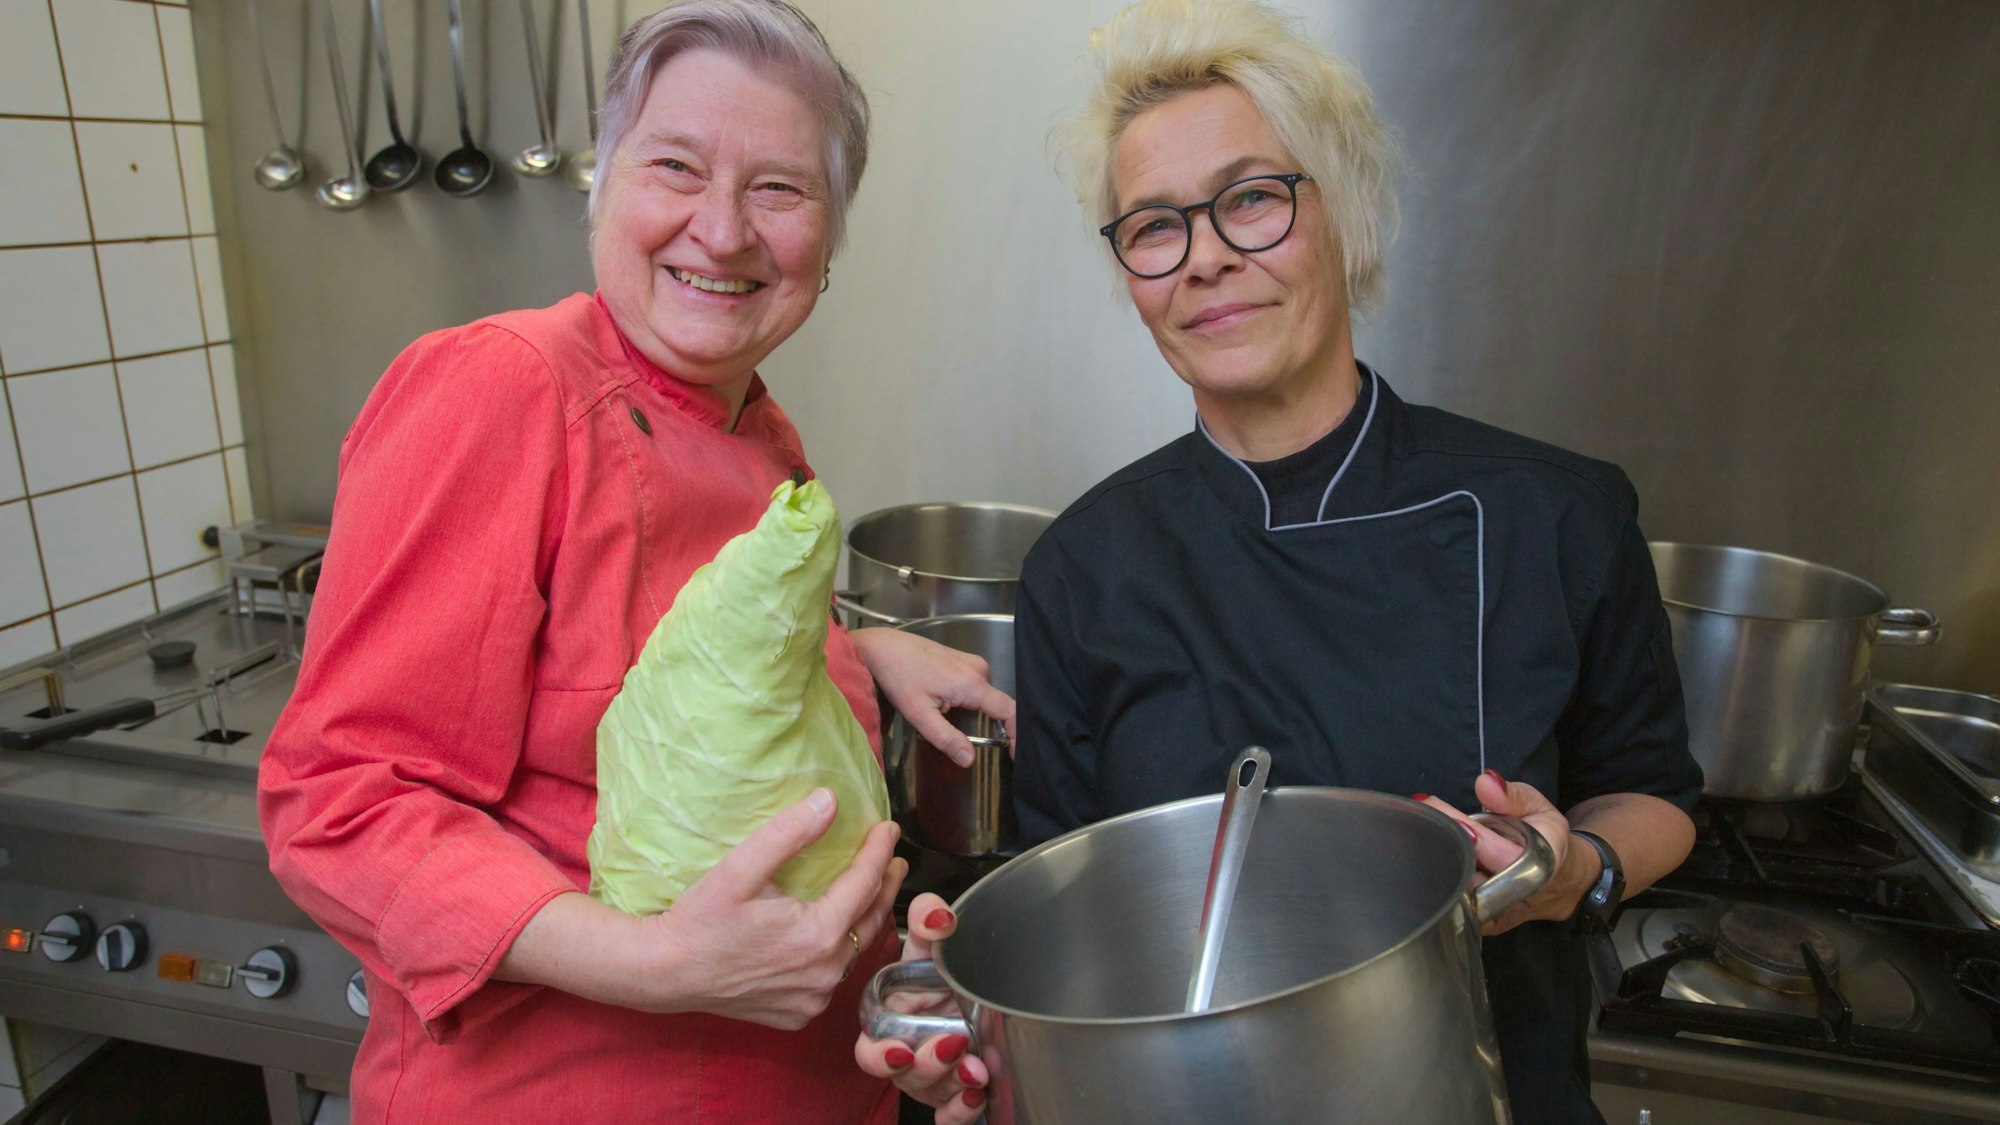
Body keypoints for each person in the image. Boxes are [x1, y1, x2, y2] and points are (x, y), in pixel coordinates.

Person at [864, 1, 1701, 1121]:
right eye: (1155, 226)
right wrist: (979, 1031)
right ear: (1128, 273)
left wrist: (1569, 877)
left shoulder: (1553, 511)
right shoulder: (1082, 565)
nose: (1206, 256)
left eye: (1251, 199)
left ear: (1343, 216)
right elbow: (1058, 903)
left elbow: (1653, 793)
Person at [258, 2, 1007, 1121]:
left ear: (829, 240)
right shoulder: (500, 390)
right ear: (602, 188)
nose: (722, 230)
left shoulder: (751, 427)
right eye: (675, 166)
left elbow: (654, 640)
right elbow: (339, 803)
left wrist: (855, 648)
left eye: (778, 189)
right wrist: (650, 966)